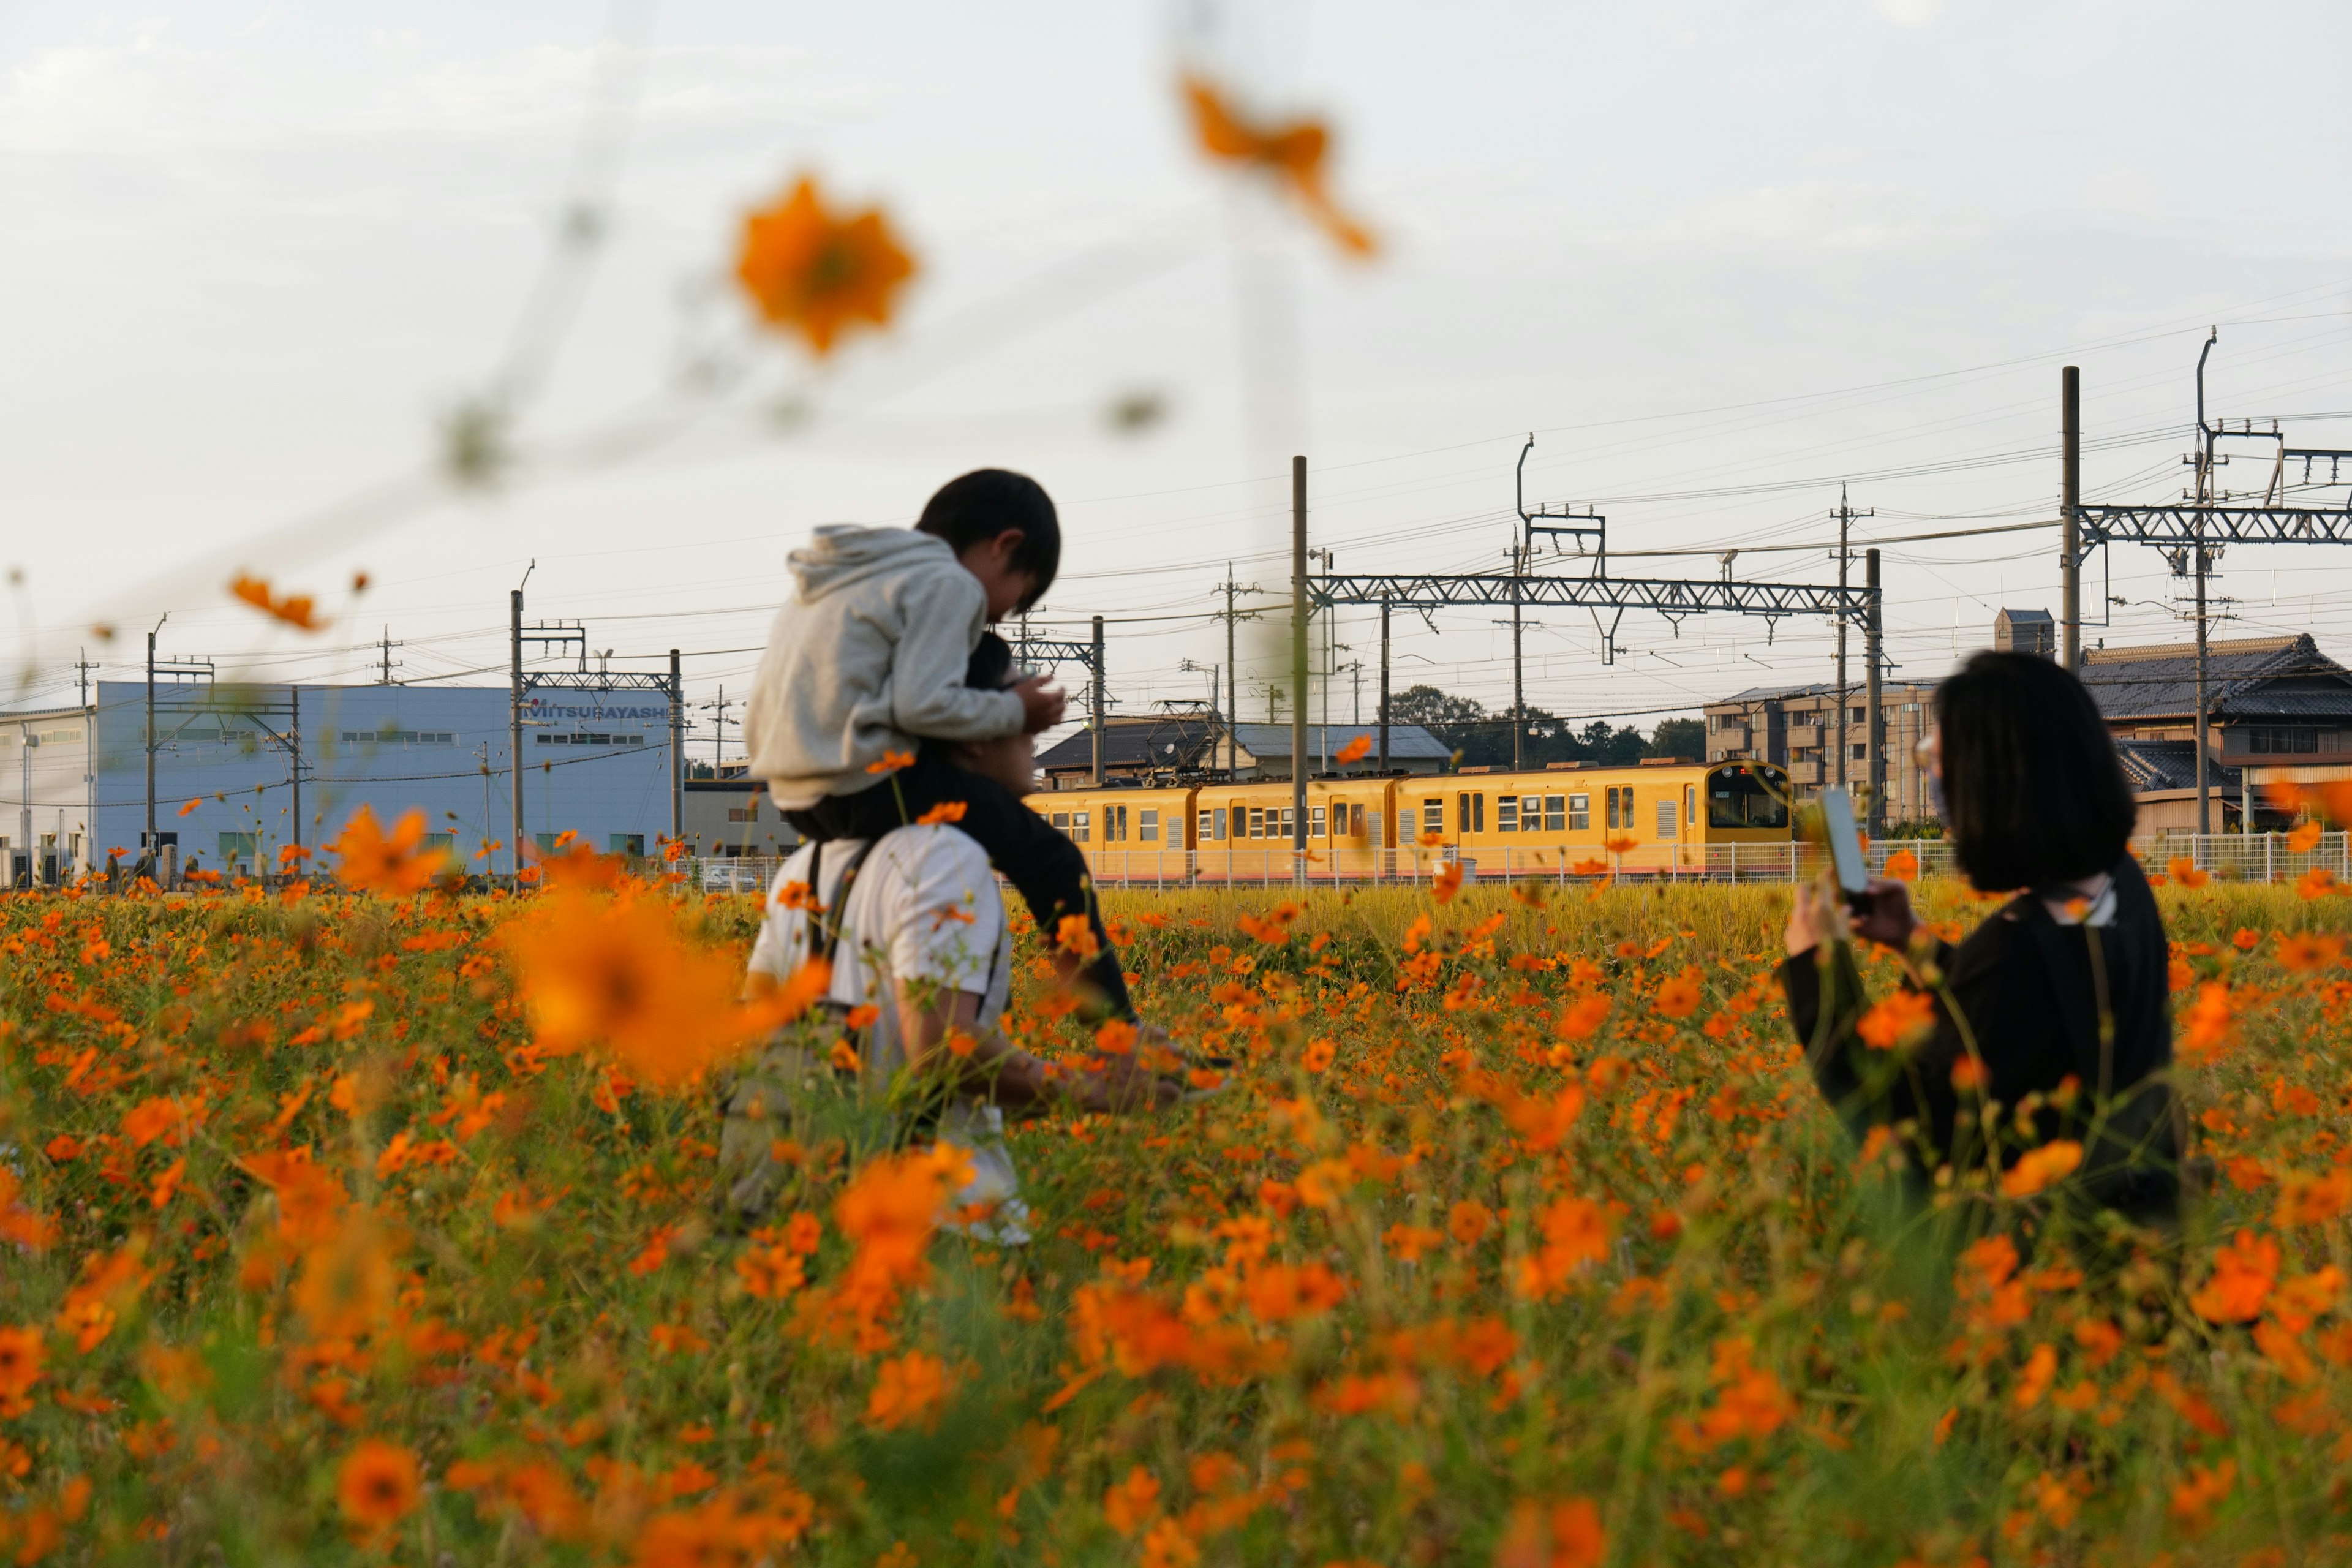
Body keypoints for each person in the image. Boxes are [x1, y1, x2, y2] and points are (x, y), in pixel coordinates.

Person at [725, 632, 1182, 1237]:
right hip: (941, 1222)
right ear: (968, 730)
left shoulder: (807, 867)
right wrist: (1093, 1092)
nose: (1033, 731)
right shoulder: (945, 858)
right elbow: (944, 1052)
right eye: (1016, 707)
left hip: (826, 1213)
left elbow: (759, 1034)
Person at [1781, 650, 2183, 1227]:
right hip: (2128, 1231)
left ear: (1993, 781)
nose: (1935, 782)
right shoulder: (2118, 887)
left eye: (1937, 761)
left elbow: (1905, 1131)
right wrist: (1914, 943)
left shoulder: (2018, 947)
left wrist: (1817, 972)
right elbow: (2024, 1027)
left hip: (2040, 1266)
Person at [742, 469, 1140, 1021]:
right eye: (1017, 599)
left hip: (797, 796)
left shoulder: (846, 579)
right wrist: (1014, 709)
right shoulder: (947, 583)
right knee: (1052, 860)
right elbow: (922, 705)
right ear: (1006, 546)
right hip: (865, 782)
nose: (998, 619)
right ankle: (1115, 1036)